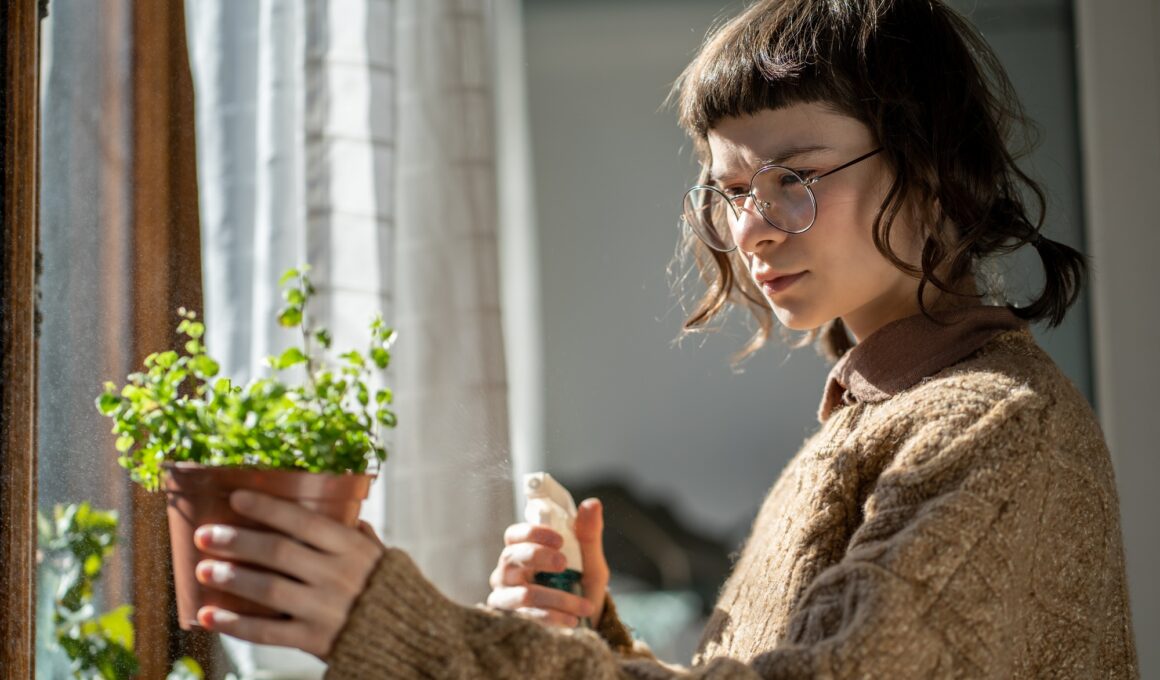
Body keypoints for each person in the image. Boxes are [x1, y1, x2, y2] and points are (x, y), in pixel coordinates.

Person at [189, 0, 1139, 676]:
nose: (752, 227)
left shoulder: (994, 430)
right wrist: (595, 634)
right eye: (729, 190)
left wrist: (404, 631)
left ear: (930, 176)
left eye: (795, 175)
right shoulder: (883, 415)